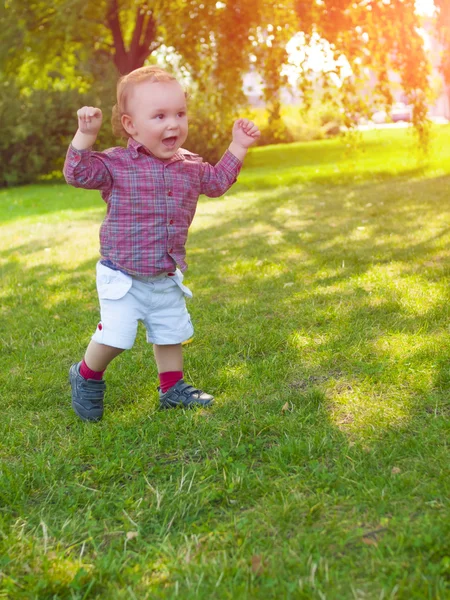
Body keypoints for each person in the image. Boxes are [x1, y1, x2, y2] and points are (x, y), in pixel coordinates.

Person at [63, 65, 260, 422]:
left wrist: (238, 146)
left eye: (179, 114)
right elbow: (77, 173)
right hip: (122, 274)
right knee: (118, 336)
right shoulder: (115, 164)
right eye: (160, 116)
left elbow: (217, 183)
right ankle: (86, 374)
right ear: (130, 125)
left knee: (171, 330)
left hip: (164, 271)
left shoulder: (191, 166)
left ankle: (172, 388)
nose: (173, 124)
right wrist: (84, 136)